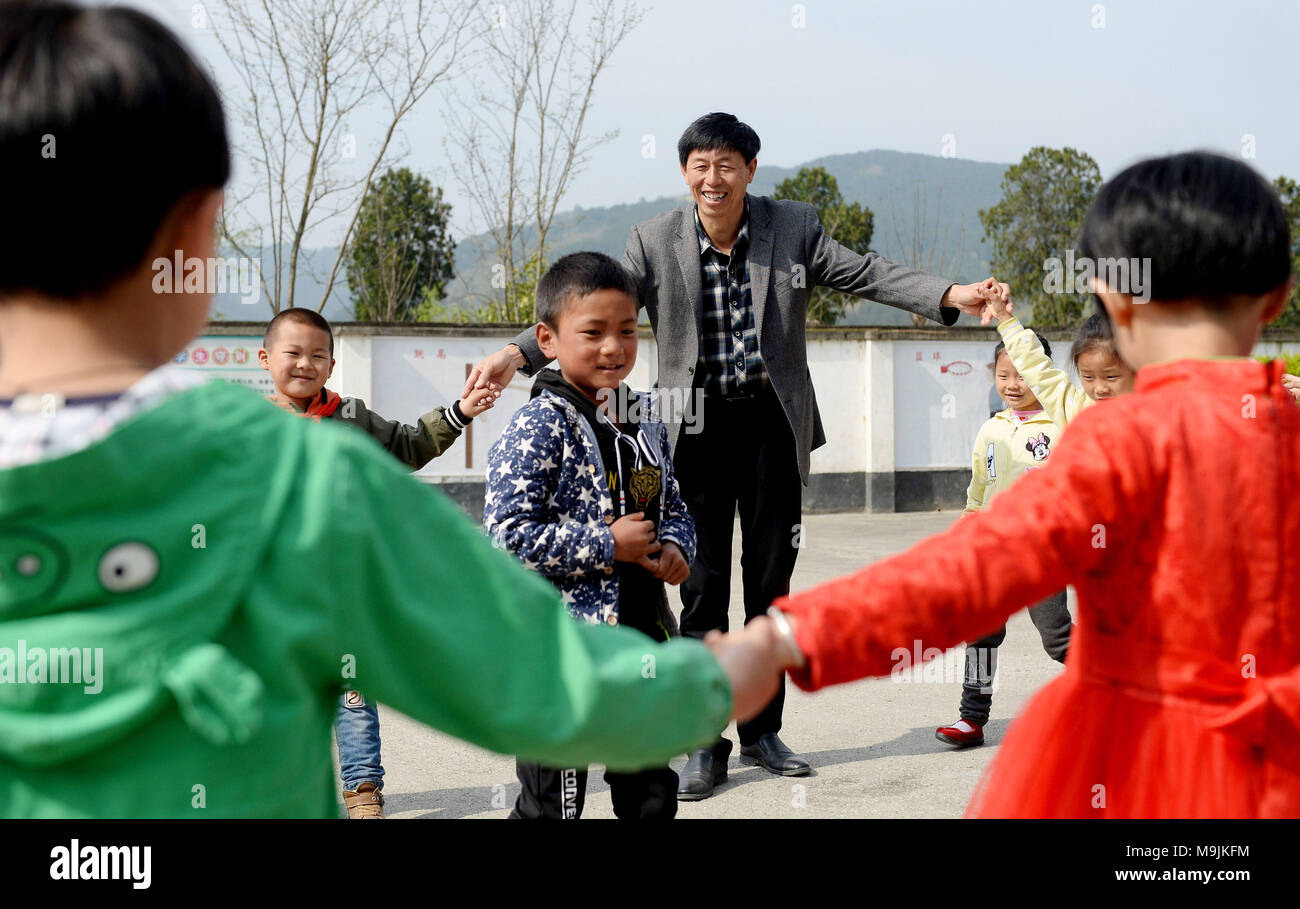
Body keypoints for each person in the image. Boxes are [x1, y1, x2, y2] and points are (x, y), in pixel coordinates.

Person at [0, 0, 787, 818]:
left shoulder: (630, 418)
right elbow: (527, 676)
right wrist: (713, 678)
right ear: (198, 227)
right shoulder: (297, 479)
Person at [465, 112, 1011, 799]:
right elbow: (593, 301)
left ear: (750, 170)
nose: (712, 178)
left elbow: (864, 272)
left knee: (770, 584)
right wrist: (515, 352)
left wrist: (948, 294)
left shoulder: (793, 227)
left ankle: (761, 730)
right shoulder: (653, 239)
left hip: (771, 430)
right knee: (699, 587)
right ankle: (702, 741)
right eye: (699, 164)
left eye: (726, 164)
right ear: (685, 173)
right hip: (689, 434)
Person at [769, 150, 1300, 817]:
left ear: (1116, 304)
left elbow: (962, 577)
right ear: (1276, 297)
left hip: (1131, 761)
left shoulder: (1118, 441)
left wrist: (786, 639)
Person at [259, 306, 497, 817]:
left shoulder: (352, 418)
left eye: (317, 355)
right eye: (293, 353)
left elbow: (407, 445)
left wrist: (460, 411)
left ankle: (363, 791)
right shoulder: (248, 430)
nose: (305, 363)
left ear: (331, 364)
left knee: (354, 700)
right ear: (265, 359)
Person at [485, 252, 696, 818]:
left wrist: (676, 546)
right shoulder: (538, 425)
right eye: (593, 332)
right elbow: (505, 536)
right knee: (552, 804)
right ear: (547, 340)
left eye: (627, 332)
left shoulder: (644, 417)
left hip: (641, 643)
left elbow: (672, 502)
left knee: (651, 792)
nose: (614, 348)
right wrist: (607, 543)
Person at [933, 331, 1073, 748]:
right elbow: (980, 490)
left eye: (1023, 375)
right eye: (1003, 374)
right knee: (980, 636)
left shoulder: (1063, 425)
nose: (1012, 385)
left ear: (1043, 374)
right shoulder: (991, 430)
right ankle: (971, 720)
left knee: (1057, 637)